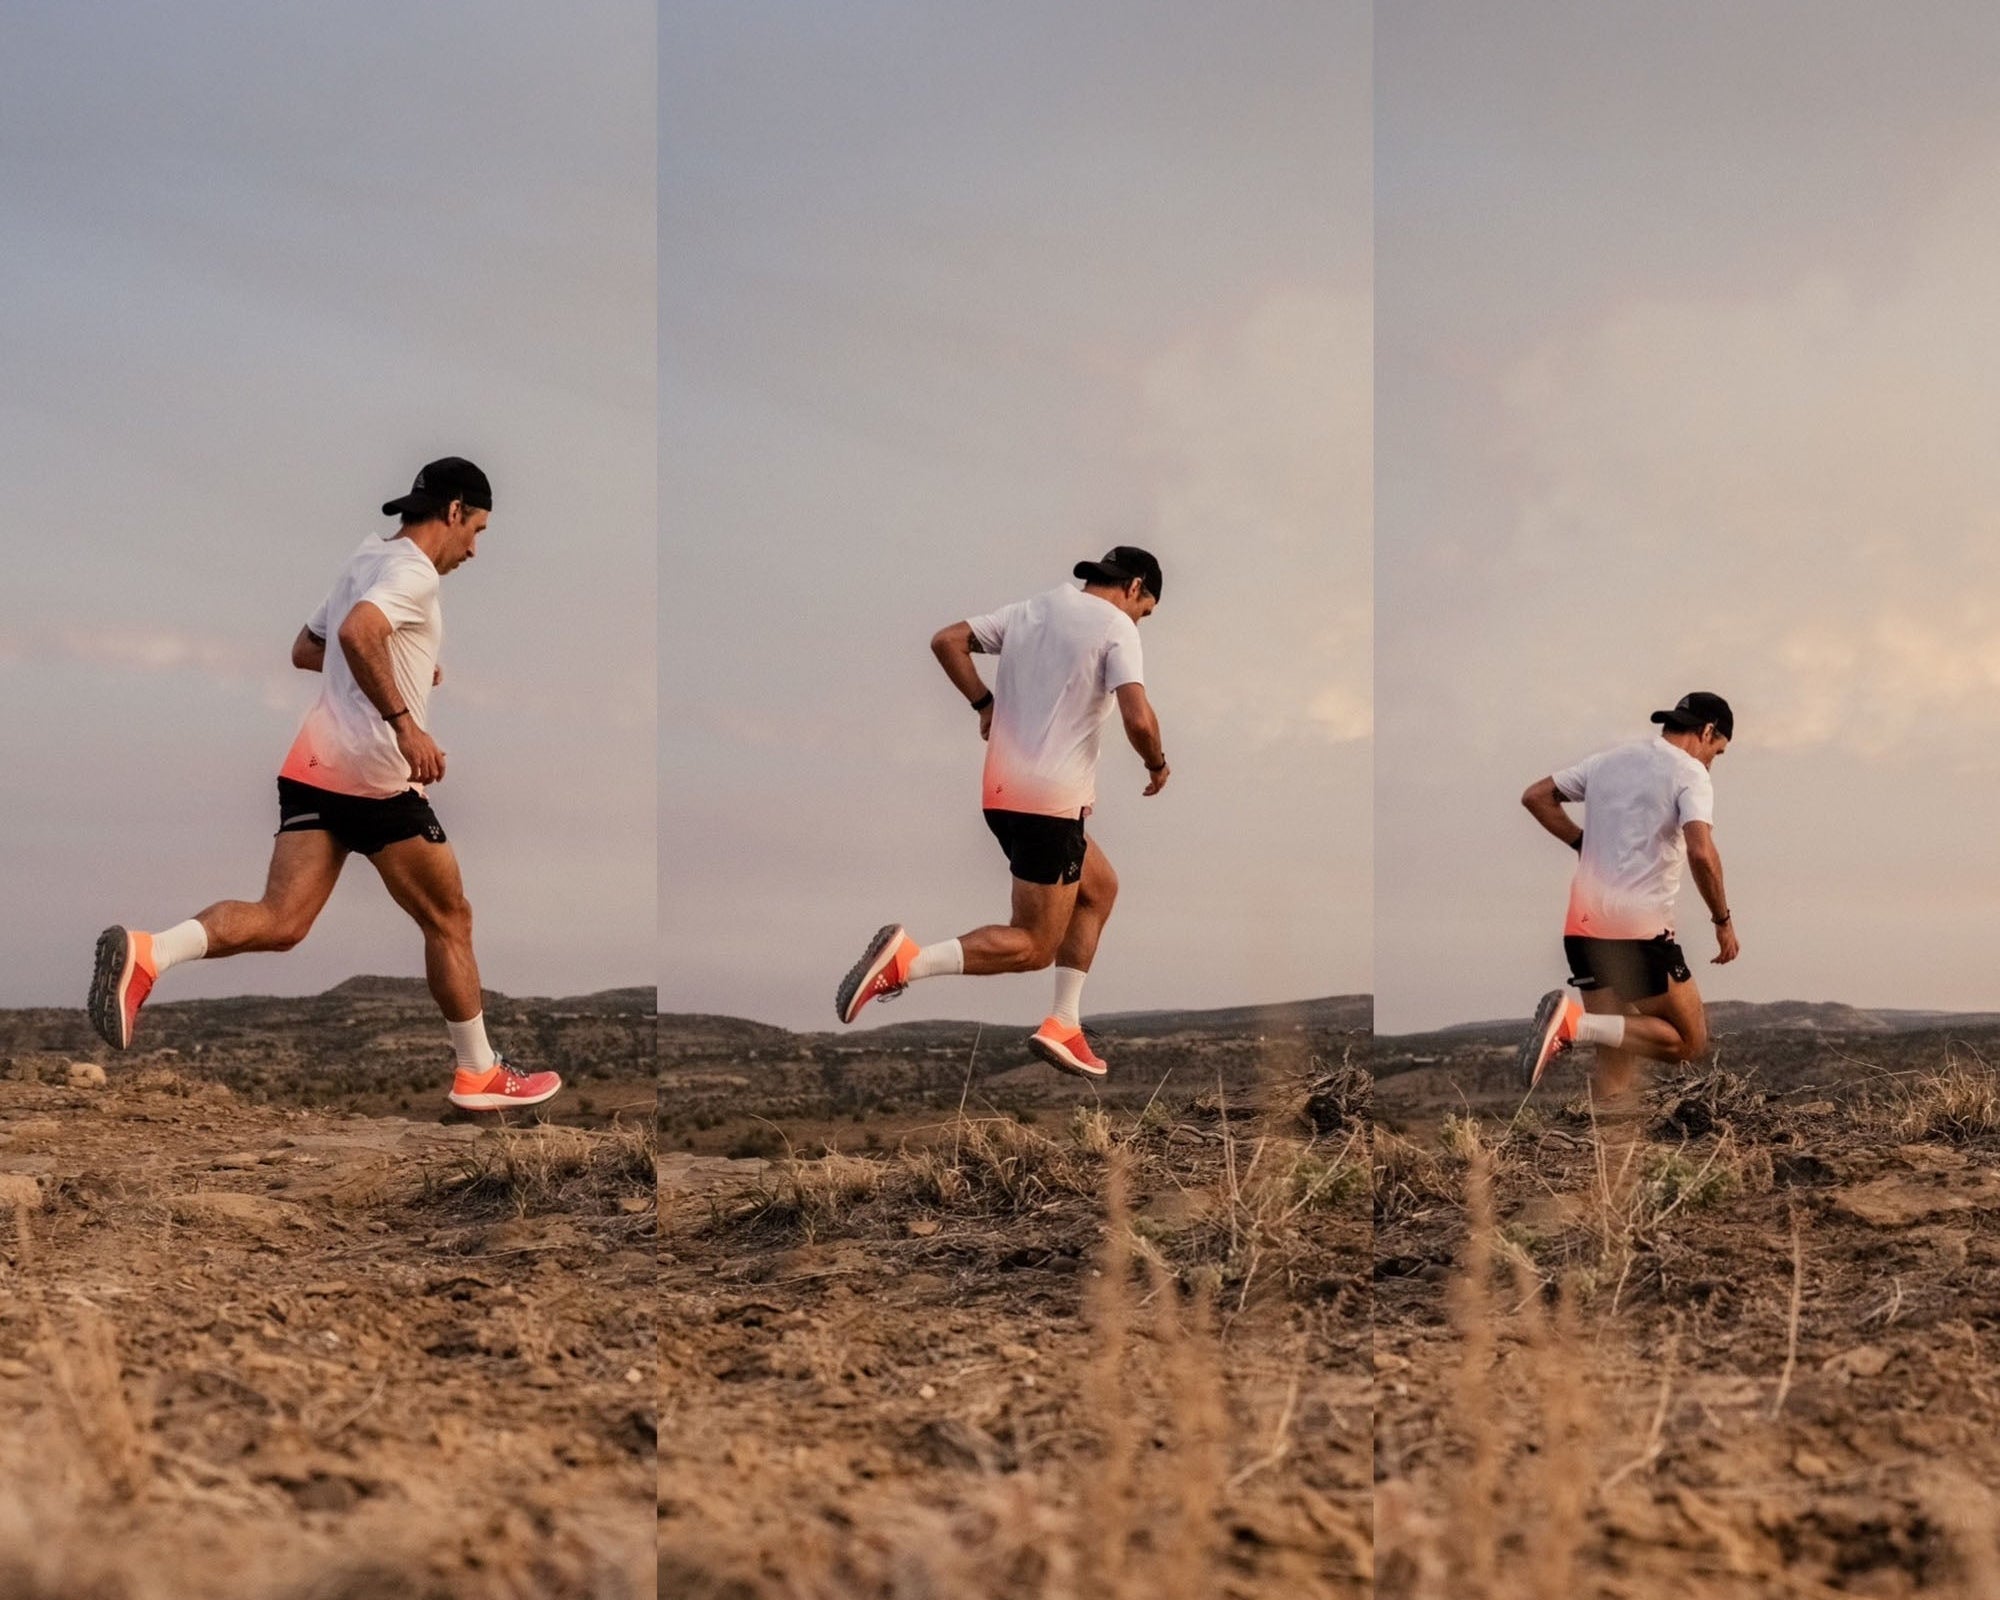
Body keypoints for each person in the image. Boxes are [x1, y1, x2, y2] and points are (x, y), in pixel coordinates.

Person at [88, 458, 561, 1112]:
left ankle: (149, 952)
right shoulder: (413, 573)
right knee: (449, 917)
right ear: (453, 511)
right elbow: (355, 633)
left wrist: (402, 668)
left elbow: (307, 649)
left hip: (313, 766)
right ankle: (478, 1072)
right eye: (476, 529)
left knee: (282, 922)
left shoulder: (365, 559)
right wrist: (404, 724)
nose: (475, 548)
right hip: (374, 775)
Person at [833, 547, 1170, 1079]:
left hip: (1003, 794)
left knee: (1099, 888)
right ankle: (905, 963)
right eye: (1144, 610)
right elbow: (1139, 718)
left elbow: (947, 641)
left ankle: (1064, 1023)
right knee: (1035, 944)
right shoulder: (1116, 628)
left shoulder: (1033, 610)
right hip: (1049, 805)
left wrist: (984, 704)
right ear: (1134, 588)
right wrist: (1156, 762)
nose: (1139, 620)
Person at [1516, 691, 1738, 1101]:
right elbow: (1701, 852)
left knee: (1617, 1044)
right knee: (1688, 1041)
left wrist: (1582, 842)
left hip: (1582, 926)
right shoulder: (1690, 773)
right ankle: (1572, 1025)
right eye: (1717, 752)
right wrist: (1722, 921)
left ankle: (1608, 1146)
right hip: (1638, 930)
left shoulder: (1607, 762)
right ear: (1707, 732)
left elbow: (1536, 796)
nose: (1712, 762)